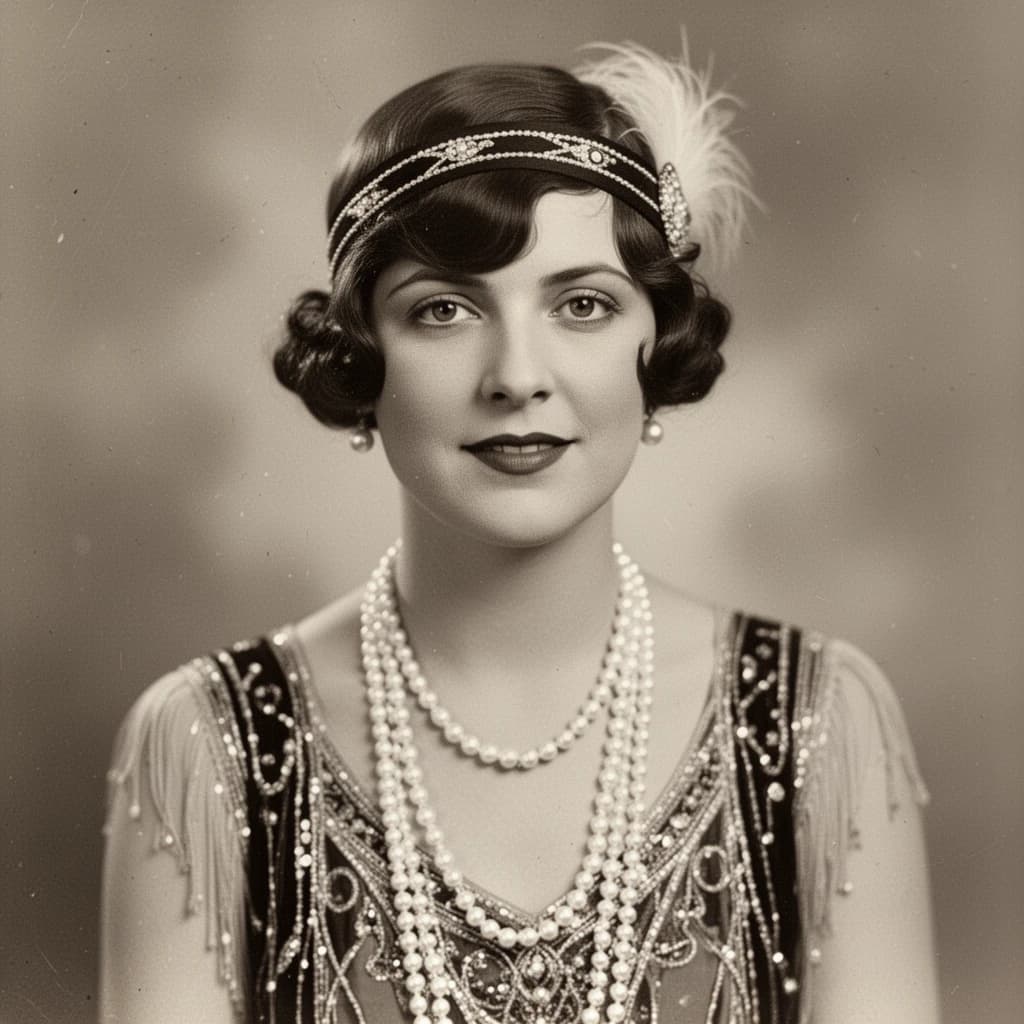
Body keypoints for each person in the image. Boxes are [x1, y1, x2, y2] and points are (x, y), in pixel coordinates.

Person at [100, 40, 939, 1024]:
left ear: (651, 344)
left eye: (582, 304)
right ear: (363, 357)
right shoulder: (208, 742)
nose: (517, 375)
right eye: (444, 309)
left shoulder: (815, 720)